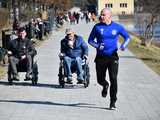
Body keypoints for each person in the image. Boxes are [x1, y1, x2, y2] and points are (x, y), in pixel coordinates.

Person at [88, 8, 131, 109]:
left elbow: (127, 37)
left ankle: (112, 102)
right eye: (101, 15)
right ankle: (105, 85)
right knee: (100, 79)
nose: (101, 16)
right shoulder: (97, 27)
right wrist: (98, 46)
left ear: (109, 16)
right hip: (100, 57)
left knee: (114, 79)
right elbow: (90, 40)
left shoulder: (117, 27)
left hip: (113, 56)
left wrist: (124, 45)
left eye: (103, 15)